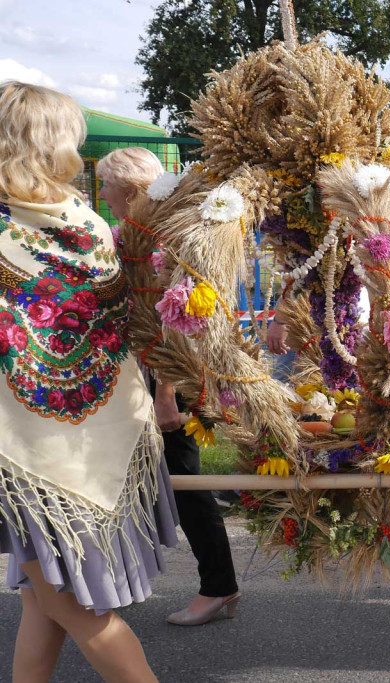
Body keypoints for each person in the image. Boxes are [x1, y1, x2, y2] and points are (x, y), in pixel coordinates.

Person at [0, 81, 176, 681]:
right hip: (98, 433)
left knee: (69, 604)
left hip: (26, 453)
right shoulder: (88, 222)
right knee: (41, 601)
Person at [96, 147, 241, 626]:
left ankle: (218, 587)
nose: (102, 193)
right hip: (144, 373)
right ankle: (121, 579)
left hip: (170, 377)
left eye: (106, 185)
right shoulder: (133, 233)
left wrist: (164, 394)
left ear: (133, 190)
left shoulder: (167, 239)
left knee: (185, 483)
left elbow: (178, 322)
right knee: (138, 479)